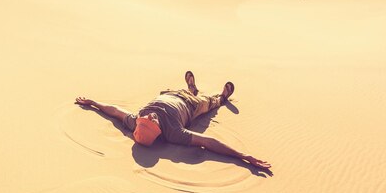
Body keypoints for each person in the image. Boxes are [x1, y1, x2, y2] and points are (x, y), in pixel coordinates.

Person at [75, 71, 271, 170]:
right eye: (152, 120)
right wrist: (243, 156)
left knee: (179, 91)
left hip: (170, 93)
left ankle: (191, 87)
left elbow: (115, 112)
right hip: (192, 105)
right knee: (209, 103)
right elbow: (207, 142)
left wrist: (93, 102)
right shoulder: (174, 133)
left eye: (146, 118)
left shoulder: (137, 123)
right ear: (157, 130)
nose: (149, 116)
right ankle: (221, 97)